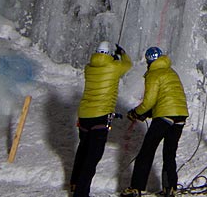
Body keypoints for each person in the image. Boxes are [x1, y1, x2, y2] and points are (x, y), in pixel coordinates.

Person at [121, 47, 189, 197]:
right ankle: (169, 188)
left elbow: (149, 101)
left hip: (165, 116)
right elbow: (167, 98)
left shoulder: (154, 74)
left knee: (146, 151)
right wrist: (150, 113)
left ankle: (135, 188)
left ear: (149, 61)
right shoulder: (171, 72)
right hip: (180, 116)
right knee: (169, 153)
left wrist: (136, 113)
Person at [70, 41, 132, 197]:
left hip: (84, 115)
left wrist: (113, 59)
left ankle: (74, 183)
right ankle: (81, 193)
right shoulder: (113, 67)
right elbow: (128, 64)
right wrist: (121, 54)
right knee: (93, 157)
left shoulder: (89, 68)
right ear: (108, 54)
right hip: (100, 117)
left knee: (83, 151)